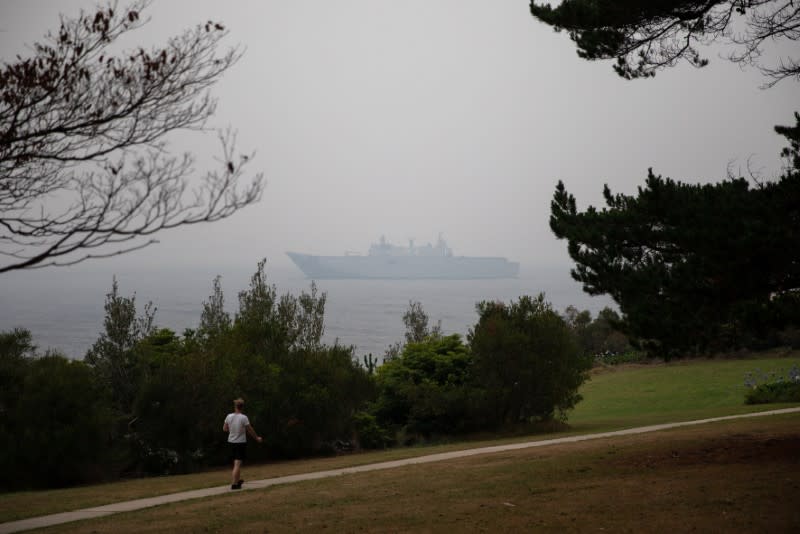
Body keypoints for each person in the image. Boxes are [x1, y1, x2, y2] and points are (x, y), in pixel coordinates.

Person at [223, 397, 262, 490]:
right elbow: (250, 430)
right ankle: (234, 484)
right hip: (240, 443)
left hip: (231, 442)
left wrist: (232, 431)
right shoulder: (243, 418)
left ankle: (238, 481)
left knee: (237, 463)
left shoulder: (229, 416)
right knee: (237, 464)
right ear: (242, 407)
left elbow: (224, 429)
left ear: (235, 406)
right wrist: (257, 438)